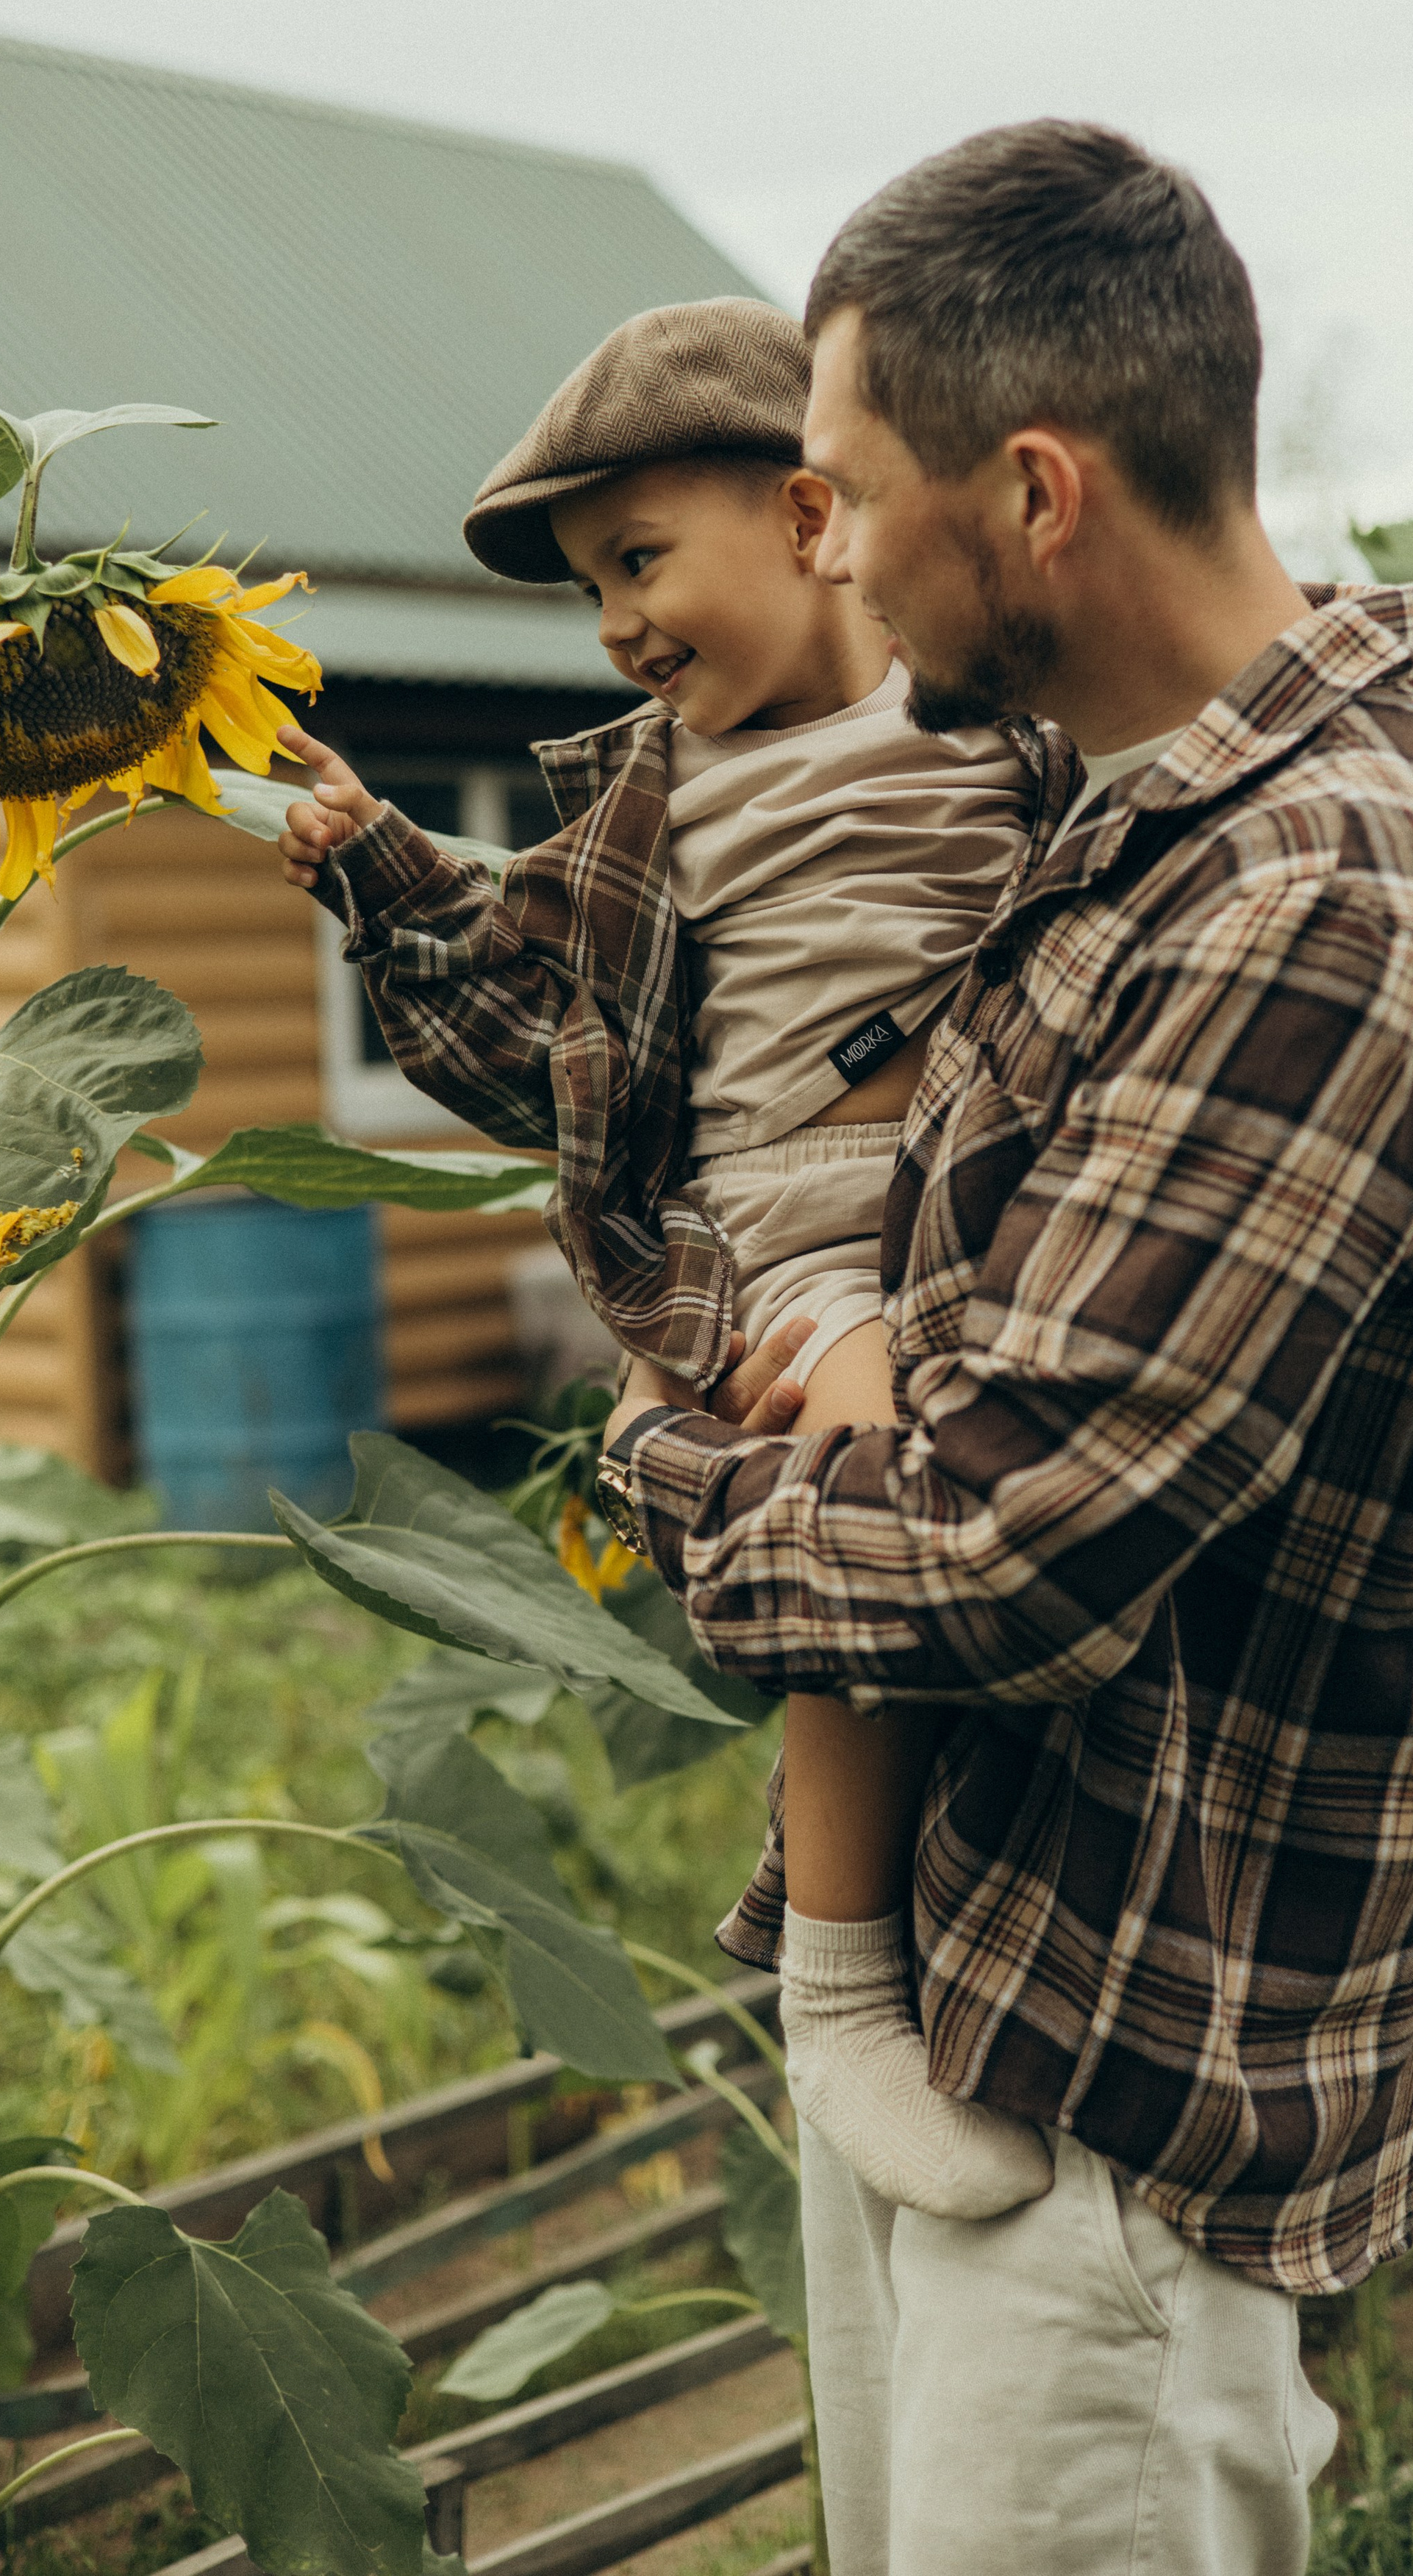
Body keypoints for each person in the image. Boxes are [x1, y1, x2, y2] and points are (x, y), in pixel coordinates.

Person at [592, 123, 1413, 2575]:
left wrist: (667, 1443)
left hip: (1130, 2085)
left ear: (1031, 494)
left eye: (837, 493)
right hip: (987, 1962)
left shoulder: (1316, 903)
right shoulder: (1108, 820)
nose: (819, 549)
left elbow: (997, 1546)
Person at [276, 297, 1059, 2221]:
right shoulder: (653, 798)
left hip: (1018, 1200)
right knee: (872, 1457)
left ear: (811, 519)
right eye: (588, 589)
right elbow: (519, 1020)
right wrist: (381, 865)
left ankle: (1290, 1898)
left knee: (1195, 1383)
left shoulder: (985, 720)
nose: (617, 622)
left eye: (639, 561)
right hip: (790, 1247)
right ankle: (844, 1980)